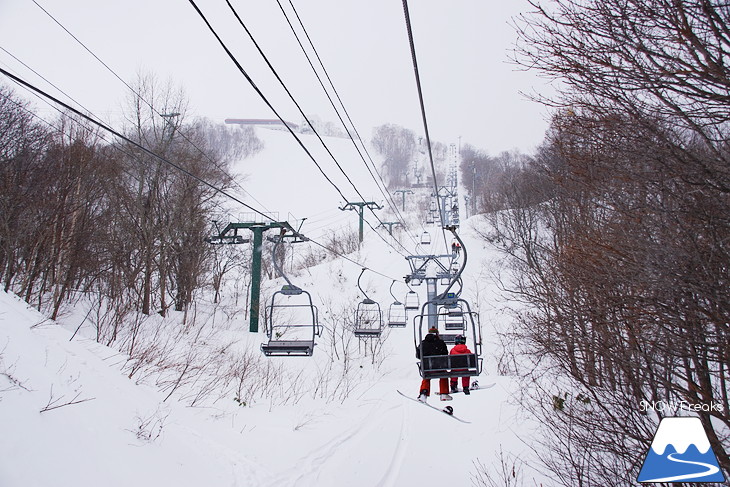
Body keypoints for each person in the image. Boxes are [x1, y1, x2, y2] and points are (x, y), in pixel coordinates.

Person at [416, 327, 452, 401]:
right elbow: (445, 354)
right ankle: (444, 393)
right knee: (443, 375)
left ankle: (423, 393)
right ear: (437, 334)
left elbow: (418, 355)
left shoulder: (423, 343)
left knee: (426, 376)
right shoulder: (441, 343)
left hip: (427, 368)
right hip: (439, 368)